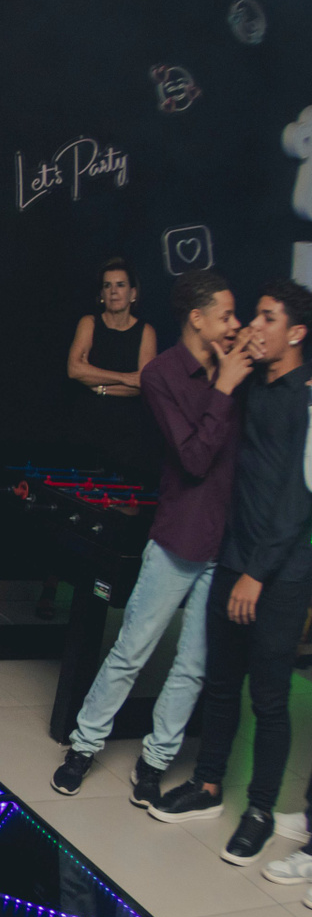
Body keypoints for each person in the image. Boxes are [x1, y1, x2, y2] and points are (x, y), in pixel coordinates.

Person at [51, 271, 247, 802]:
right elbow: (195, 458)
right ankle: (84, 746)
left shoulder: (240, 370)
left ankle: (155, 761)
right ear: (198, 318)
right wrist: (225, 387)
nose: (236, 324)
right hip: (179, 537)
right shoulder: (162, 374)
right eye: (227, 315)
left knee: (194, 665)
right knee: (132, 650)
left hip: (227, 544)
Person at [152, 280, 312, 866]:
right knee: (220, 684)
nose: (252, 326)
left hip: (279, 574)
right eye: (253, 316)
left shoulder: (306, 399)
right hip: (234, 558)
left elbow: (298, 500)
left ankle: (260, 812)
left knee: (268, 698)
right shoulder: (249, 387)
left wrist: (257, 575)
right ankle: (208, 786)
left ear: (296, 333)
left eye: (267, 318)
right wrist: (230, 363)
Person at [66, 258, 159, 480]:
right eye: (107, 286)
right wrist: (125, 378)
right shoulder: (89, 323)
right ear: (101, 294)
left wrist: (98, 385)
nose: (113, 292)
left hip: (128, 437)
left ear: (133, 293)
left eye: (120, 285)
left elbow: (143, 384)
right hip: (86, 430)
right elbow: (74, 370)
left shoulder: (146, 331)